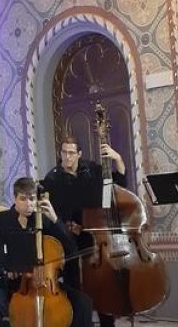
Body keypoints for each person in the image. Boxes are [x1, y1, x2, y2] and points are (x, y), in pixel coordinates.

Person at [0, 177, 94, 327]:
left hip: (47, 283)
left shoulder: (43, 221)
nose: (28, 203)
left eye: (32, 199)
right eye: (23, 199)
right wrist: (5, 268)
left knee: (83, 302)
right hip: (14, 284)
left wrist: (55, 219)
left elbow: (70, 247)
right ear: (15, 198)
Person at [41, 135, 127, 327]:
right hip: (68, 241)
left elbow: (119, 184)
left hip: (94, 239)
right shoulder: (52, 178)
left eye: (71, 153)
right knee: (75, 290)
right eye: (64, 152)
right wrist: (66, 225)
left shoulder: (93, 171)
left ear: (79, 154)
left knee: (101, 287)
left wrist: (118, 159)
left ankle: (107, 323)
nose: (67, 157)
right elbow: (49, 214)